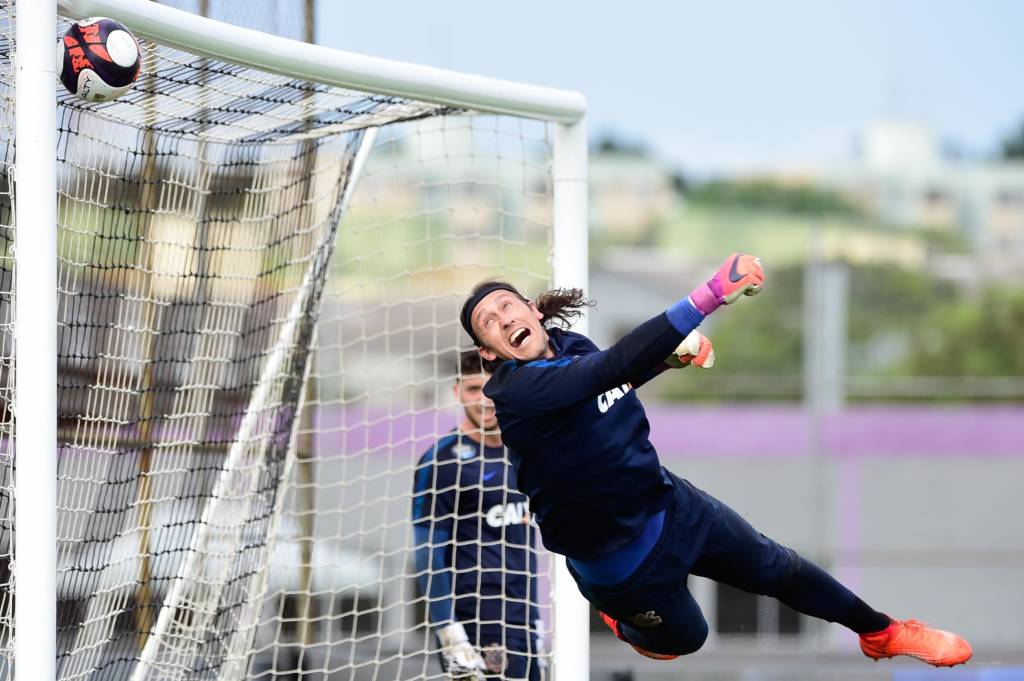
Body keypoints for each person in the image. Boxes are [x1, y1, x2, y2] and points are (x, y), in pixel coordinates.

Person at [458, 254, 972, 668]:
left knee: (778, 566)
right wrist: (709, 295)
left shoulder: (571, 346)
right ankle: (623, 619)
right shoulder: (519, 392)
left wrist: (666, 359)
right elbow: (607, 370)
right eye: (489, 323)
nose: (504, 319)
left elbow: (610, 381)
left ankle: (882, 632)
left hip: (668, 503)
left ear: (531, 309)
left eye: (507, 306)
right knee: (689, 638)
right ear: (488, 352)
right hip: (622, 565)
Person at [412, 350, 546, 680]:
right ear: (457, 392)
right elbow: (428, 552)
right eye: (474, 389)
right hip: (476, 620)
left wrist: (537, 619)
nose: (485, 400)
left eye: (492, 388)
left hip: (524, 616)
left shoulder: (527, 452)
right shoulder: (442, 461)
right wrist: (447, 629)